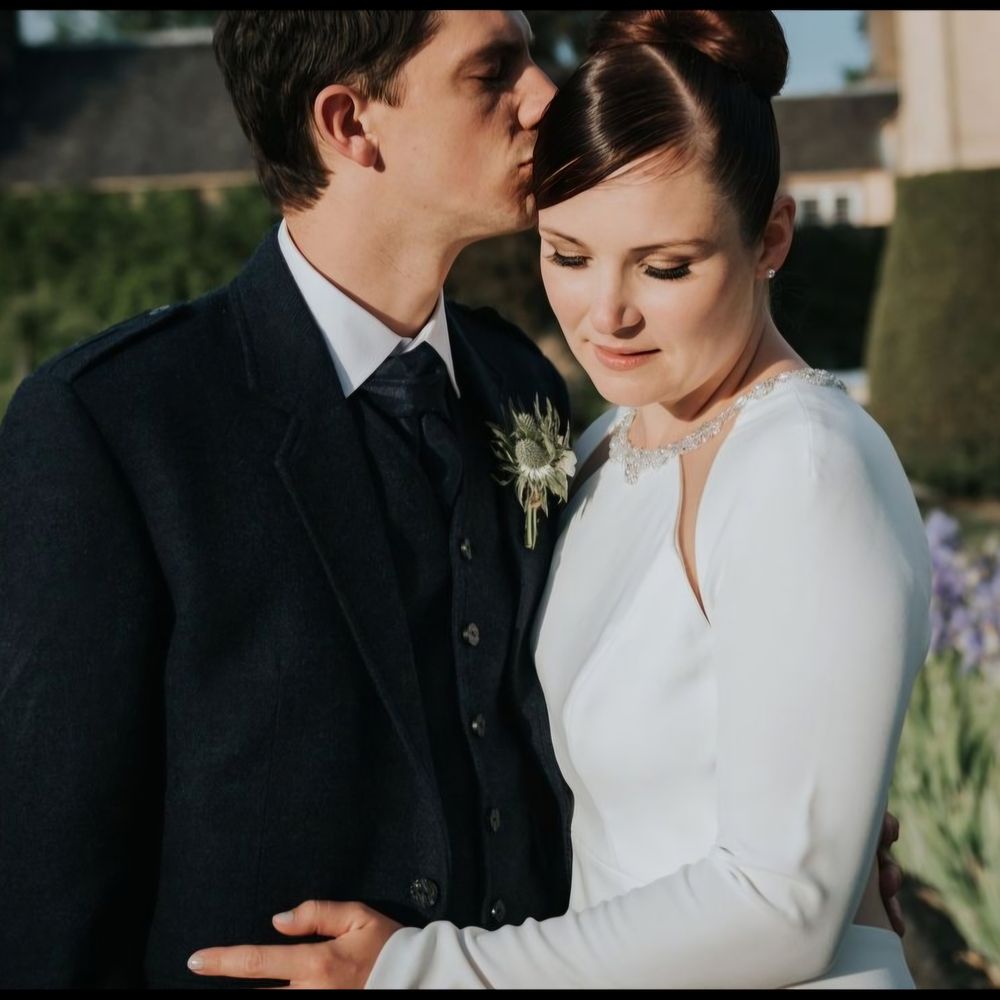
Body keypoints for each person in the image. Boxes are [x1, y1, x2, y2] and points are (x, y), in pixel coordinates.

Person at [0, 10, 904, 990]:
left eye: (664, 264)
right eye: (492, 71)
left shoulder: (524, 390)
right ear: (350, 123)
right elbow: (48, 885)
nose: (546, 94)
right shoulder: (119, 424)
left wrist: (817, 832)